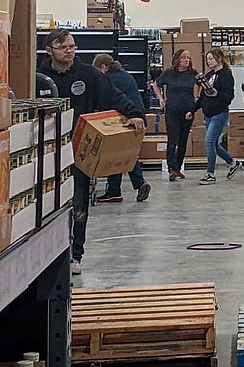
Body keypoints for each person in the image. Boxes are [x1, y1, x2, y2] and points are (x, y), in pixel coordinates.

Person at [38, 29, 146, 275]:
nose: (69, 51)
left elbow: (115, 97)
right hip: (45, 154)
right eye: (63, 47)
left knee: (79, 205)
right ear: (49, 50)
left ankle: (76, 255)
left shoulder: (89, 75)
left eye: (72, 46)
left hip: (78, 153)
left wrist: (135, 114)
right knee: (46, 206)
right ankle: (47, 256)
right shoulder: (38, 77)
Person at [91, 54, 152, 203]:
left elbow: (108, 100)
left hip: (127, 118)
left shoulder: (108, 79)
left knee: (120, 153)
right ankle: (116, 190)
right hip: (137, 116)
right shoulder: (124, 75)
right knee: (120, 152)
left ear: (103, 67)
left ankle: (131, 185)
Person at [152, 49, 199, 182]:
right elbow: (155, 84)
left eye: (188, 58)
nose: (186, 60)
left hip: (188, 110)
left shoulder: (193, 74)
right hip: (172, 110)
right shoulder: (169, 73)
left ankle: (178, 168)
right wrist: (161, 98)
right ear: (178, 59)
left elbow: (202, 83)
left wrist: (197, 97)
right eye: (184, 58)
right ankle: (171, 168)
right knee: (173, 141)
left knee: (183, 142)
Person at [197, 48, 241, 184]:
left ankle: (210, 173)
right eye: (208, 59)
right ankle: (233, 163)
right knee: (214, 144)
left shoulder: (225, 75)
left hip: (219, 113)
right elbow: (203, 96)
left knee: (209, 142)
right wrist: (192, 109)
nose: (209, 61)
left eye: (211, 58)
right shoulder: (209, 75)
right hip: (208, 114)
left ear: (219, 59)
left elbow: (229, 96)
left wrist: (218, 94)